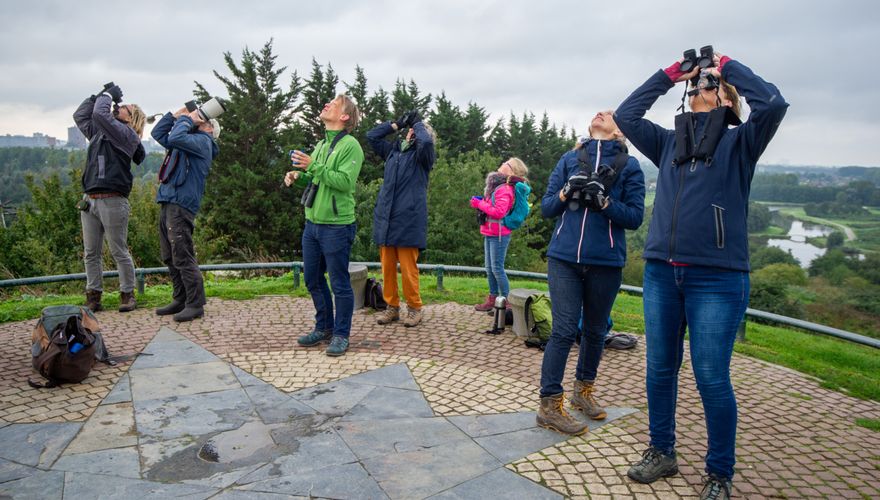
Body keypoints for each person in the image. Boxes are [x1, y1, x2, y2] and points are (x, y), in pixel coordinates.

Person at [615, 51, 788, 500]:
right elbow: (626, 115)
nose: (700, 89)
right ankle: (662, 451)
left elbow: (772, 104)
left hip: (717, 277)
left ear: (728, 101)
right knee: (659, 369)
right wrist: (673, 74)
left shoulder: (740, 143)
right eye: (697, 86)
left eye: (708, 86)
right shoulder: (669, 144)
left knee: (711, 376)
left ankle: (718, 473)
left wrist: (727, 66)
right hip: (660, 273)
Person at [536, 112, 645, 435]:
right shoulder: (570, 158)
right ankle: (549, 405)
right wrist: (566, 192)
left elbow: (635, 217)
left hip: (606, 261)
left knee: (596, 331)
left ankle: (582, 393)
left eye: (610, 114)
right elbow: (546, 208)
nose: (601, 114)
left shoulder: (631, 166)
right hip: (563, 258)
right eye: (598, 112)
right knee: (564, 330)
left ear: (619, 131)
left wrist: (604, 203)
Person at [284, 95, 364, 357]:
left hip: (336, 226)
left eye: (334, 103)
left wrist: (314, 166)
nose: (327, 104)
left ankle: (341, 335)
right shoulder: (322, 143)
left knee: (339, 283)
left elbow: (343, 182)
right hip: (313, 224)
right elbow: (317, 177)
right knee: (312, 279)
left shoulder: (351, 146)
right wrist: (298, 175)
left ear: (344, 117)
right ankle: (323, 328)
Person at [73, 84, 146, 313]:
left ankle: (127, 294)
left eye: (124, 107)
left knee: (118, 250)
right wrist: (96, 96)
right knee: (91, 252)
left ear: (131, 117)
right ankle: (93, 296)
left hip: (113, 199)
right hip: (91, 197)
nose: (119, 107)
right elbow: (81, 115)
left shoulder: (126, 135)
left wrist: (107, 96)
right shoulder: (100, 132)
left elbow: (98, 114)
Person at [366, 110, 436, 327]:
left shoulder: (422, 157)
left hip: (409, 219)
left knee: (408, 269)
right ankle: (392, 307)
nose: (412, 133)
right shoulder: (393, 152)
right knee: (386, 268)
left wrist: (419, 124)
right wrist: (396, 124)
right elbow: (372, 136)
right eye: (411, 130)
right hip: (386, 218)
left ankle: (414, 308)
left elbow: (425, 143)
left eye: (416, 131)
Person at [150, 106, 220, 322]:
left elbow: (177, 135)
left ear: (208, 128)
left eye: (202, 120)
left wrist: (190, 119)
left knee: (182, 254)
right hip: (170, 198)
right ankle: (180, 298)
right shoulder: (187, 142)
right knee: (169, 255)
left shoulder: (203, 143)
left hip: (181, 203)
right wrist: (175, 114)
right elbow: (158, 134)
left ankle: (195, 303)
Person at [470, 158, 529, 311]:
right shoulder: (498, 186)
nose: (502, 164)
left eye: (506, 163)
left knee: (497, 268)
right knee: (490, 268)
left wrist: (479, 204)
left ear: (511, 170)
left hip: (499, 234)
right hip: (491, 232)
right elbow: (493, 206)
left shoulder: (504, 188)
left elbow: (499, 212)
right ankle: (493, 298)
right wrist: (482, 201)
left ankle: (508, 302)